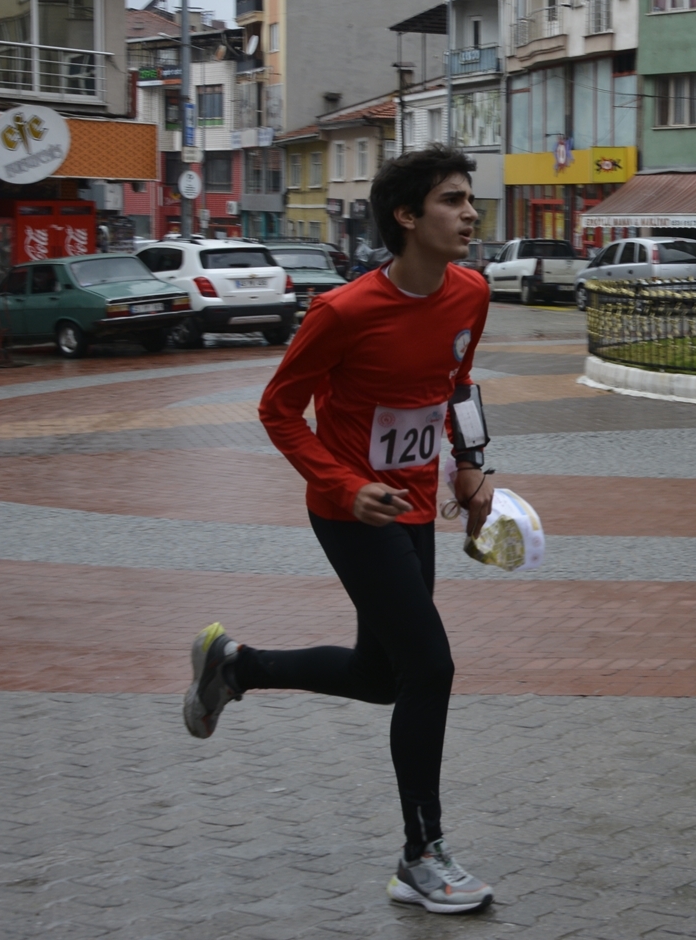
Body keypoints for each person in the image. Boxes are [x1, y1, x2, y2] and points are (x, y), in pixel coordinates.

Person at [182, 145, 498, 915]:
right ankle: (421, 855)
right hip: (350, 513)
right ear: (407, 216)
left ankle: (235, 667)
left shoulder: (471, 292)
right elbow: (278, 410)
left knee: (382, 677)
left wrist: (470, 465)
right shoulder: (344, 311)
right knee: (430, 668)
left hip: (414, 507)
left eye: (469, 199)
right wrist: (344, 485)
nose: (470, 214)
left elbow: (457, 385)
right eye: (453, 200)